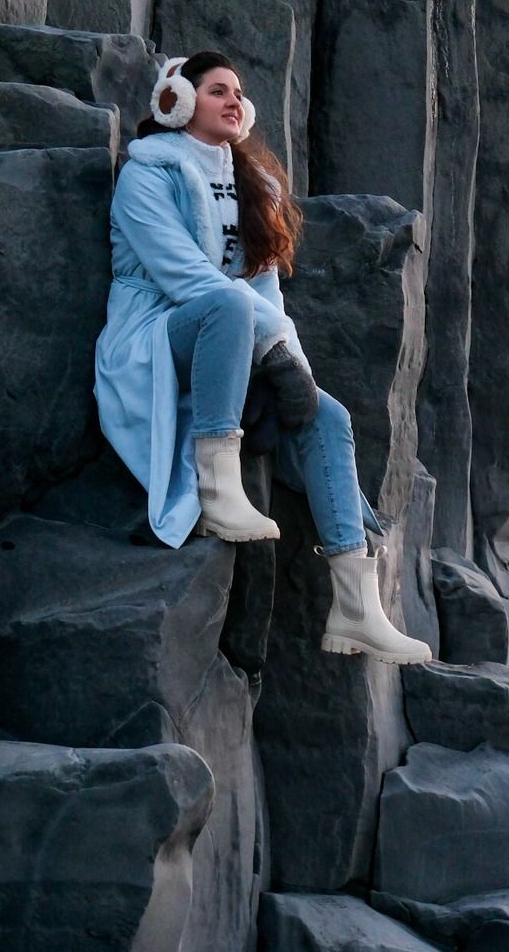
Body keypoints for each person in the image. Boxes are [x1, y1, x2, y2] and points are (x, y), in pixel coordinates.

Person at [93, 49, 429, 663]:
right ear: (180, 102)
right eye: (216, 90)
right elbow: (183, 276)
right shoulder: (147, 173)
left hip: (233, 336)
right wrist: (270, 353)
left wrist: (290, 366)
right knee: (228, 306)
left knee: (330, 418)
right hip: (154, 334)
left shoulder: (253, 187)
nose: (232, 100)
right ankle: (218, 488)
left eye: (237, 92)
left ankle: (356, 607)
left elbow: (266, 296)